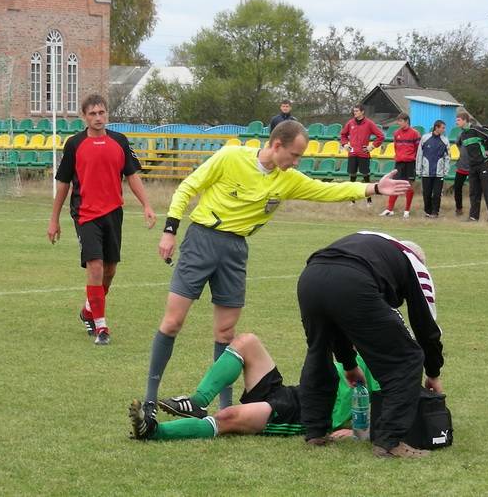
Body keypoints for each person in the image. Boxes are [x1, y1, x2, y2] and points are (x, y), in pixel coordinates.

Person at [142, 120, 410, 421]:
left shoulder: (288, 179)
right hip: (202, 239)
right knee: (173, 322)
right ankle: (149, 400)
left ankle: (222, 409)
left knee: (225, 331)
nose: (296, 162)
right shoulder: (231, 157)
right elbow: (188, 187)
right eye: (294, 155)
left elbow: (327, 190)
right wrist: (170, 230)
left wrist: (374, 187)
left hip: (236, 250)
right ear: (277, 144)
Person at [297, 231, 444, 458]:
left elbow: (340, 323)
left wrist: (349, 364)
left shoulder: (375, 243)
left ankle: (315, 432)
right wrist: (433, 372)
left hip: (311, 277)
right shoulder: (415, 265)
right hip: (352, 280)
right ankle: (389, 441)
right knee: (407, 358)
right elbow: (426, 326)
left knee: (318, 351)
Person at [47, 94, 156, 345]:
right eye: (92, 113)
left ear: (107, 113)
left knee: (110, 269)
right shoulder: (74, 144)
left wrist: (147, 205)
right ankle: (101, 327)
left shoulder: (120, 141)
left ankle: (89, 310)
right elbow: (63, 183)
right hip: (85, 213)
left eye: (101, 112)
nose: (98, 117)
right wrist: (54, 219)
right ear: (84, 117)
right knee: (95, 266)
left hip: (113, 213)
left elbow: (132, 176)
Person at [128, 332, 379, 442]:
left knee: (227, 417)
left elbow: (388, 403)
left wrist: (356, 433)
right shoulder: (351, 332)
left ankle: (153, 431)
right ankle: (197, 401)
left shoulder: (381, 353)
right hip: (294, 393)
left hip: (304, 415)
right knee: (247, 342)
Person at [339, 104, 385, 206]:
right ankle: (352, 200)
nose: (354, 113)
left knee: (366, 176)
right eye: (354, 111)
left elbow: (381, 136)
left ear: (362, 112)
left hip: (364, 154)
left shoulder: (369, 123)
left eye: (357, 111)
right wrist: (345, 144)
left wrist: (372, 146)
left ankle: (369, 201)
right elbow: (343, 135)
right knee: (352, 176)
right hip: (352, 153)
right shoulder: (350, 123)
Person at [456, 112, 488, 222]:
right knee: (474, 192)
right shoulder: (463, 135)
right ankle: (473, 217)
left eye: (458, 120)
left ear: (465, 120)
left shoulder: (476, 130)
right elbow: (459, 145)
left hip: (484, 164)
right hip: (472, 166)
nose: (457, 122)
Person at [379, 113, 420, 219]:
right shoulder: (396, 133)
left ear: (407, 121)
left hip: (410, 163)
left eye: (400, 121)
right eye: (398, 121)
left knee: (409, 185)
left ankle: (407, 211)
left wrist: (411, 157)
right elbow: (396, 148)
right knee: (395, 185)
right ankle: (389, 209)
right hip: (399, 163)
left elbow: (418, 149)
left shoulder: (415, 133)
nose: (398, 123)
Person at [415, 120, 450, 218]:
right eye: (442, 128)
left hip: (439, 173)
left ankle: (435, 212)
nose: (444, 130)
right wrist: (418, 169)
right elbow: (419, 154)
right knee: (426, 193)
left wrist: (446, 170)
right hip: (426, 172)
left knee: (437, 194)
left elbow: (447, 157)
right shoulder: (425, 138)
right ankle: (428, 211)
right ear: (436, 127)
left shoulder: (445, 140)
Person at [453, 135, 470, 216]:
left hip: (474, 167)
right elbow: (457, 143)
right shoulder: (461, 135)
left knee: (475, 190)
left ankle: (474, 211)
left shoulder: (477, 135)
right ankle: (459, 209)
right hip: (461, 167)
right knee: (457, 188)